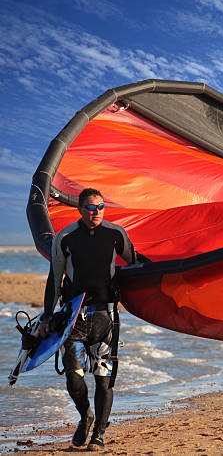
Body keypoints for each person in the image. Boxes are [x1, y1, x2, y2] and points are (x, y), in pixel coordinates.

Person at [39, 188, 136, 451]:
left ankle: (99, 435)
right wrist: (47, 316)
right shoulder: (66, 237)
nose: (96, 212)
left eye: (101, 207)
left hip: (106, 317)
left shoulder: (116, 234)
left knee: (104, 379)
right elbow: (54, 278)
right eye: (91, 208)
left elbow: (136, 263)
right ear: (80, 209)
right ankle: (85, 416)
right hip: (74, 318)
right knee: (74, 378)